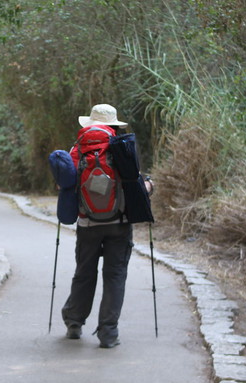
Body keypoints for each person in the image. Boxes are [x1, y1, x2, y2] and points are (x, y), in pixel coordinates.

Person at [61, 104, 153, 348]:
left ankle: (74, 323)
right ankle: (108, 333)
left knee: (84, 273)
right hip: (120, 225)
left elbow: (65, 187)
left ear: (89, 124)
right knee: (115, 276)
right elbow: (137, 187)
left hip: (87, 224)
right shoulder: (122, 148)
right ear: (113, 125)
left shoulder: (77, 149)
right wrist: (150, 187)